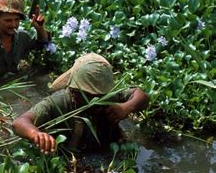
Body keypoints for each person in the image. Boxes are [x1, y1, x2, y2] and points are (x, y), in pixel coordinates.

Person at [12, 53, 149, 154]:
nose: (97, 101)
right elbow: (20, 122)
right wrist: (36, 134)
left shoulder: (111, 97)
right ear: (74, 91)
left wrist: (126, 107)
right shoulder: (58, 102)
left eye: (101, 96)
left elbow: (141, 96)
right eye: (89, 96)